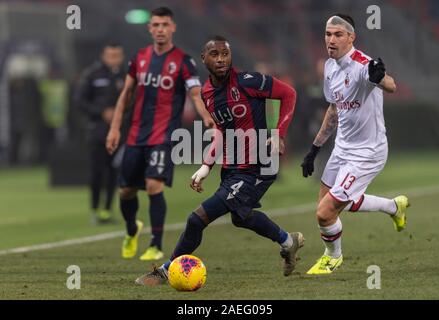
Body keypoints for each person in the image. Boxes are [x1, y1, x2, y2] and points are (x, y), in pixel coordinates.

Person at [134, 35, 303, 286]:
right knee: (241, 217)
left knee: (197, 218)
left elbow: (288, 93)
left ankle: (166, 271)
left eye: (225, 54)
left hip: (258, 166)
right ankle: (289, 242)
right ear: (204, 58)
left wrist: (278, 133)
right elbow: (222, 131)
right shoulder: (207, 92)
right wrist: (205, 166)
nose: (221, 59)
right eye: (215, 54)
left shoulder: (250, 81)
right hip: (233, 168)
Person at [300, 14, 409, 275]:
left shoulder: (363, 64)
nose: (331, 39)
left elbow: (390, 85)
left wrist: (381, 78)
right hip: (341, 148)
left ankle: (333, 257)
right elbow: (334, 109)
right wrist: (314, 149)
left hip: (368, 152)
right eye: (328, 34)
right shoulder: (329, 67)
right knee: (330, 204)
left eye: (338, 34)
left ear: (351, 37)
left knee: (325, 213)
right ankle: (393, 206)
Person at [106, 7, 214, 261]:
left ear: (172, 27)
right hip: (135, 135)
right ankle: (132, 229)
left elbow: (195, 93)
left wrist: (207, 117)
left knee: (154, 185)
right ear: (150, 28)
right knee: (126, 192)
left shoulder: (183, 61)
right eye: (156, 25)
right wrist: (114, 128)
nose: (160, 29)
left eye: (165, 24)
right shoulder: (139, 58)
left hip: (164, 135)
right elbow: (126, 94)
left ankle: (155, 243)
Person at [76, 43, 126, 224]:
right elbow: (80, 101)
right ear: (103, 56)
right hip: (97, 131)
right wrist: (101, 111)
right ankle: (94, 209)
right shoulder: (92, 75)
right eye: (110, 55)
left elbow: (134, 100)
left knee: (114, 171)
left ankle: (106, 210)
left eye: (117, 55)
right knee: (97, 171)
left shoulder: (126, 75)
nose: (114, 59)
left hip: (120, 132)